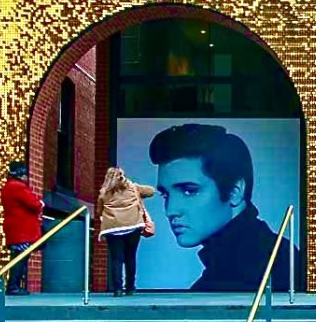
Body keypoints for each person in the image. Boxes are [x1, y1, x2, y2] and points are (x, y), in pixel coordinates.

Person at [149, 123, 299, 292]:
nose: (170, 211)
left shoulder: (257, 268)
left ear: (235, 191)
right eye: (165, 195)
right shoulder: (267, 253)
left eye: (189, 191)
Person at [97, 166, 154, 297]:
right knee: (130, 257)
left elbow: (99, 211)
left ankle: (117, 289)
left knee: (116, 259)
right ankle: (130, 288)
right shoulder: (133, 187)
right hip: (133, 226)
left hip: (113, 228)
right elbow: (151, 191)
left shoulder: (103, 193)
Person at [1, 161, 43, 296]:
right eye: (25, 174)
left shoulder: (8, 187)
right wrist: (41, 203)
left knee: (18, 257)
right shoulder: (18, 187)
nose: (27, 177)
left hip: (15, 228)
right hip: (22, 230)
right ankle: (13, 286)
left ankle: (15, 286)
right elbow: (35, 204)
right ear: (20, 174)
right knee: (20, 258)